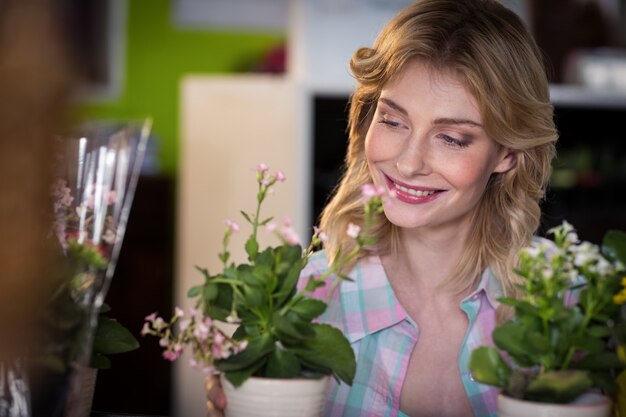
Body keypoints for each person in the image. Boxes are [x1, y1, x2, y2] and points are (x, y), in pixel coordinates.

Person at [205, 0, 558, 416]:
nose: (408, 163)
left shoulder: (566, 297)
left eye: (451, 138)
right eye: (393, 121)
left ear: (508, 154)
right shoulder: (301, 299)